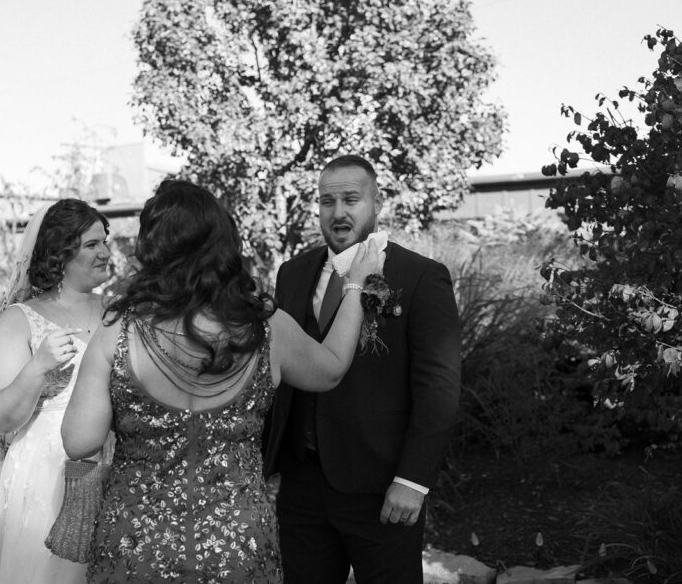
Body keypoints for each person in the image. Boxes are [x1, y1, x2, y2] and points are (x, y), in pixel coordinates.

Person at [61, 179, 383, 583]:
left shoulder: (118, 331)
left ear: (152, 250)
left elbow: (78, 441)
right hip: (236, 547)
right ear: (225, 246)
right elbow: (332, 366)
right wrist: (356, 285)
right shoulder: (268, 330)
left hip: (137, 544)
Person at [263, 155, 462, 584]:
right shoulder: (292, 274)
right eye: (326, 201)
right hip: (301, 488)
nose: (338, 213)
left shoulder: (421, 277)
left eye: (351, 199)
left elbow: (438, 388)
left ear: (376, 201)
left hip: (382, 487)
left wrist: (413, 480)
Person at [0, 198, 113, 584]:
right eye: (92, 245)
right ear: (60, 253)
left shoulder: (119, 312)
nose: (106, 252)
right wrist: (38, 367)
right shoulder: (18, 320)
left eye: (105, 242)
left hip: (116, 462)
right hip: (45, 472)